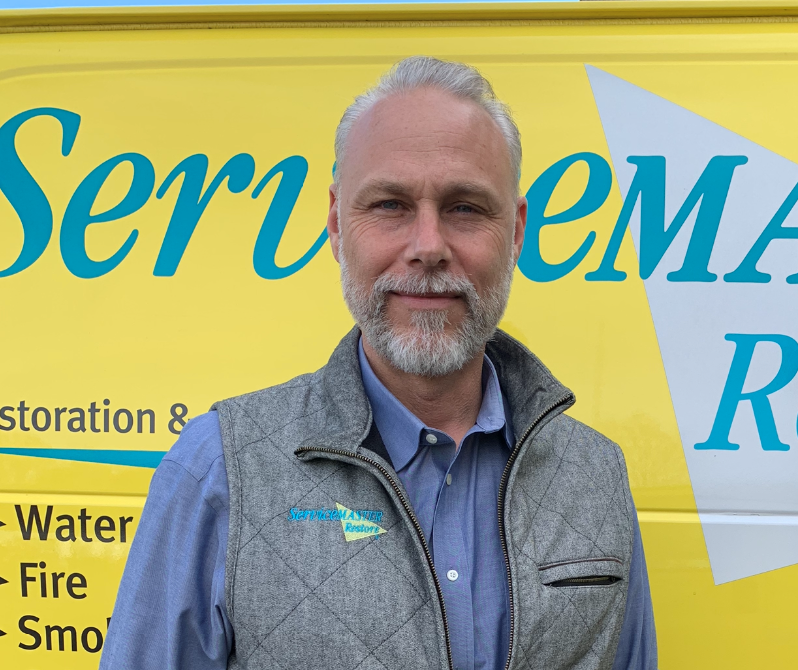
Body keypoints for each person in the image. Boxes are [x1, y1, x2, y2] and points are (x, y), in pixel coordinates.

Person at [100, 56, 656, 670]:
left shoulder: (595, 476)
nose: (427, 247)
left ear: (517, 231)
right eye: (390, 204)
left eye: (466, 207)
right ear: (338, 225)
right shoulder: (220, 471)